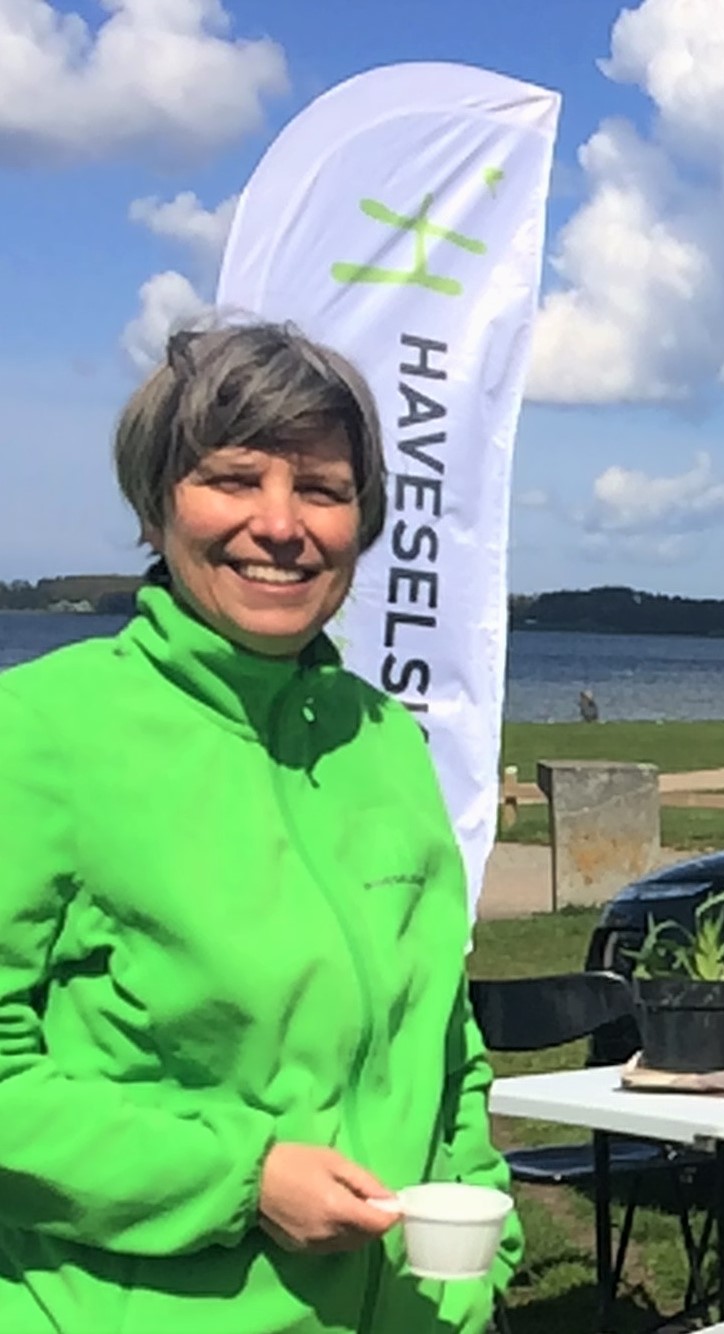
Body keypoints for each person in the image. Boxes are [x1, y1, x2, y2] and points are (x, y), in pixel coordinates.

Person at [0, 323, 521, 1333]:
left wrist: (479, 1255)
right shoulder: (38, 732)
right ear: (157, 504)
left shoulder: (384, 740)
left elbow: (440, 1034)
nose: (280, 525)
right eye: (233, 479)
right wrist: (243, 1177)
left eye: (321, 489)